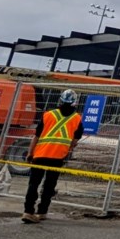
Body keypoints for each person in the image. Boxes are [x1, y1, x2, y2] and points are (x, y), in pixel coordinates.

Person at [22, 89, 84, 224]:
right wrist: (68, 149)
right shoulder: (77, 118)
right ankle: (42, 212)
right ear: (75, 103)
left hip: (41, 154)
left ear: (60, 100)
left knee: (33, 183)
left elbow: (36, 136)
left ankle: (28, 211)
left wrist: (30, 152)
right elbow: (75, 140)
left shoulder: (48, 115)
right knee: (49, 185)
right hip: (58, 157)